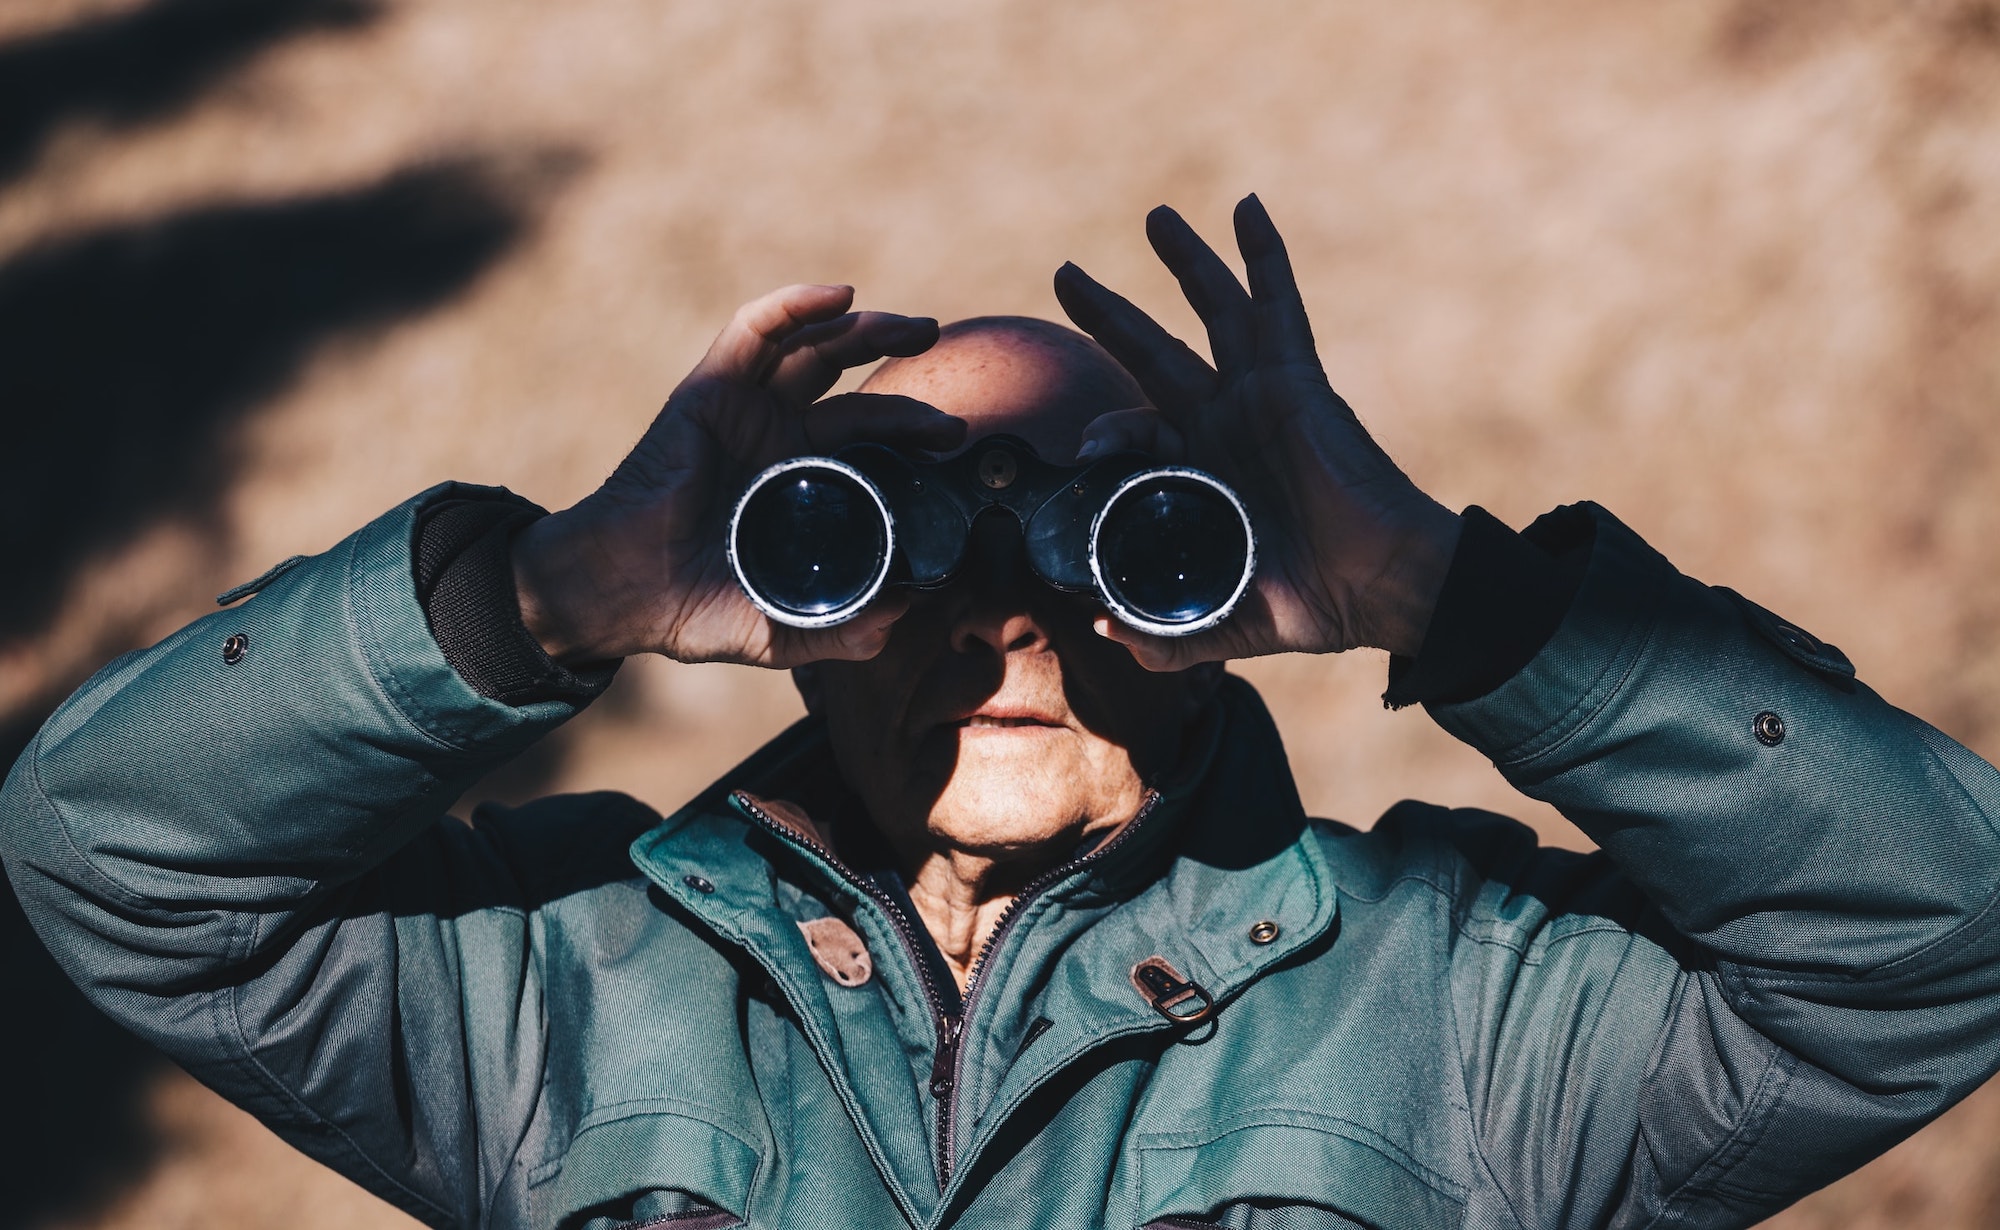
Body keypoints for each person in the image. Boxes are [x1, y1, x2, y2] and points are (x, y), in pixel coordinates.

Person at [5, 198, 1999, 1230]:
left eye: (1127, 538)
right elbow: (114, 852)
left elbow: (1929, 938)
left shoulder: (1463, 1015)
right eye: (879, 544)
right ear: (790, 605)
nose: (1012, 625)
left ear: (1216, 594)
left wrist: (1442, 595)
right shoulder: (569, 983)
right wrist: (554, 595)